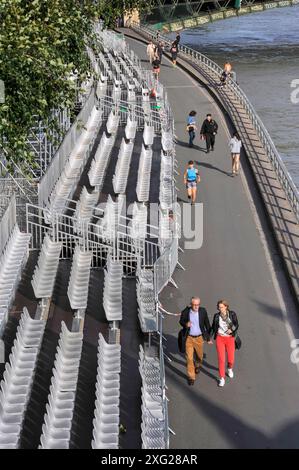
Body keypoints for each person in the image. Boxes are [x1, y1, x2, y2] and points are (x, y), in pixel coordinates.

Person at [179, 297, 212, 386]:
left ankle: (197, 365)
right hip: (189, 338)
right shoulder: (186, 312)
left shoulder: (203, 311)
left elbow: (207, 324)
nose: (196, 306)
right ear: (191, 304)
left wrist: (208, 338)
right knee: (189, 358)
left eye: (198, 305)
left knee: (199, 356)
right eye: (194, 305)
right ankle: (191, 377)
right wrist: (186, 324)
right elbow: (181, 321)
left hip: (199, 338)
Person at [210, 300, 239, 387]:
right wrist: (208, 337)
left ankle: (229, 368)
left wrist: (232, 329)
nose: (220, 309)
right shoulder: (216, 316)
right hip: (220, 338)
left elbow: (237, 324)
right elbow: (213, 327)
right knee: (221, 359)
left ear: (226, 307)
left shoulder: (232, 314)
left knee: (231, 359)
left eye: (222, 307)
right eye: (219, 307)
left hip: (230, 339)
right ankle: (222, 378)